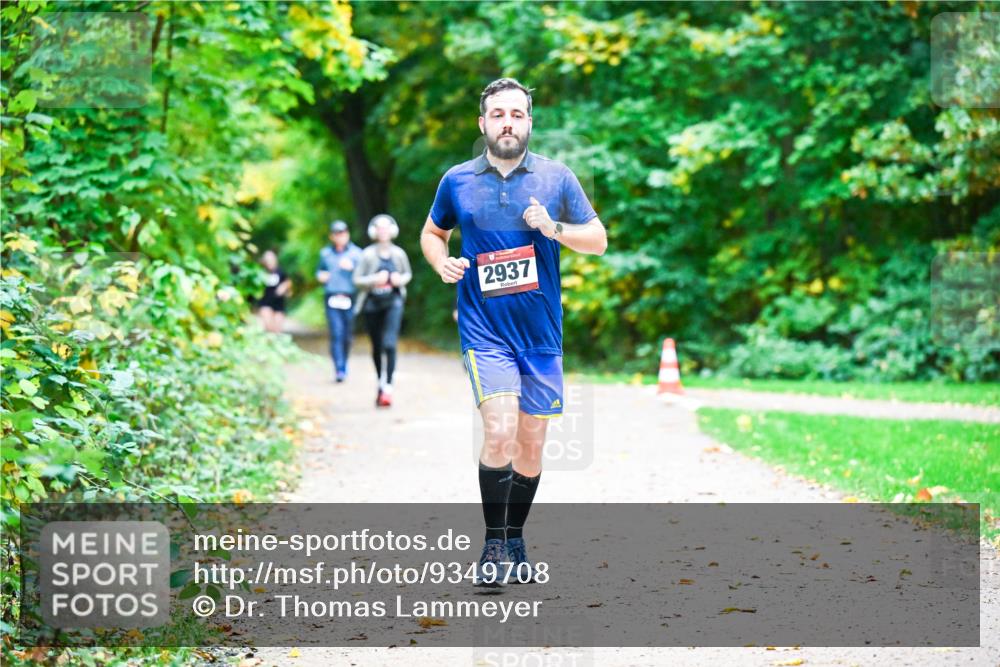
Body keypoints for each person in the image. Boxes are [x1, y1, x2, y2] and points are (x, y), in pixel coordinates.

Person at [420, 77, 607, 585]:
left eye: (517, 114)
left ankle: (516, 536)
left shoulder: (557, 177)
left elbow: (598, 240)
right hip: (485, 331)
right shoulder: (457, 180)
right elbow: (433, 232)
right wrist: (440, 262)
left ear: (529, 122)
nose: (508, 123)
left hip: (541, 334)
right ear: (482, 123)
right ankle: (493, 545)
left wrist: (553, 228)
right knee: (499, 429)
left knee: (530, 444)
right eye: (498, 114)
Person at [353, 214, 412, 408]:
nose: (383, 231)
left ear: (392, 231)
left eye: (386, 227)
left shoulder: (399, 254)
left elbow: (407, 274)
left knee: (389, 343)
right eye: (379, 228)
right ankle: (380, 382)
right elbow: (357, 279)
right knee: (377, 346)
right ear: (374, 232)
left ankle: (388, 386)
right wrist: (374, 280)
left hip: (393, 302)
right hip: (372, 305)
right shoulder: (367, 254)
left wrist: (399, 280)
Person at [316, 220, 363, 382]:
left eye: (343, 233)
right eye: (337, 234)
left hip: (350, 297)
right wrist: (321, 276)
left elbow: (365, 273)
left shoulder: (357, 253)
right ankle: (339, 368)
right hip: (332, 297)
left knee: (347, 336)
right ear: (332, 236)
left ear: (347, 234)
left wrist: (353, 268)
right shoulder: (325, 254)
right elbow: (319, 271)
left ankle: (344, 362)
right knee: (336, 333)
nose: (340, 236)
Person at [256, 249, 291, 334]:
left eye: (271, 259)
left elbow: (288, 282)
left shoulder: (280, 271)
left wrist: (284, 287)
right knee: (269, 328)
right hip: (265, 301)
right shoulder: (260, 271)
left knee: (278, 330)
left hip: (278, 302)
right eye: (267, 260)